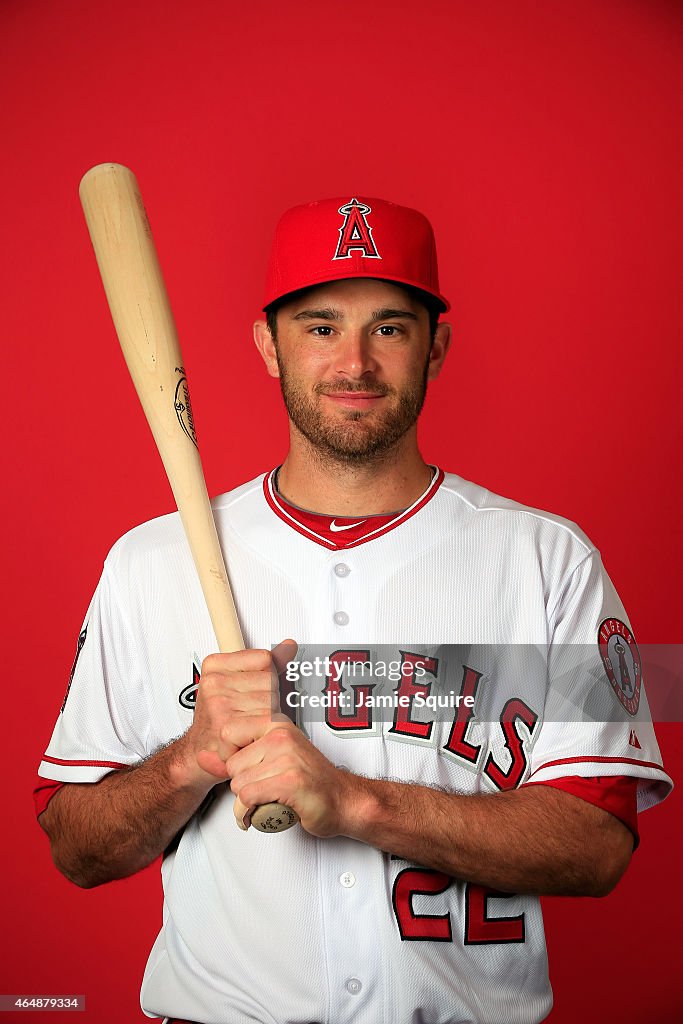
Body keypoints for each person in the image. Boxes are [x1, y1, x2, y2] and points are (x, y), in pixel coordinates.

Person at [36, 195, 671, 1024]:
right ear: (269, 344)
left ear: (436, 346)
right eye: (321, 326)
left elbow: (600, 844)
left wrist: (354, 803)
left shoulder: (552, 558)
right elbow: (74, 847)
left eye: (391, 327)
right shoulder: (145, 563)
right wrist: (192, 758)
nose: (356, 364)